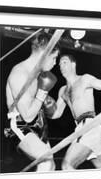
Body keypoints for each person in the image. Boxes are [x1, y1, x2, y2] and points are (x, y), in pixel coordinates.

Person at [45, 54, 101, 170]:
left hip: (89, 126)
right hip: (80, 128)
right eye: (59, 64)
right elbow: (55, 114)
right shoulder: (62, 90)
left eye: (64, 62)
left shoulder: (84, 79)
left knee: (67, 165)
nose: (61, 66)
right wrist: (47, 103)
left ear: (73, 64)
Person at [5, 33, 60, 171]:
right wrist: (42, 93)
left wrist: (47, 104)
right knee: (46, 161)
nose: (55, 63)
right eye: (54, 58)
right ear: (44, 54)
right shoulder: (20, 74)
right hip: (21, 125)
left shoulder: (38, 75)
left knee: (50, 166)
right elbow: (28, 116)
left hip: (40, 123)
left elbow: (37, 106)